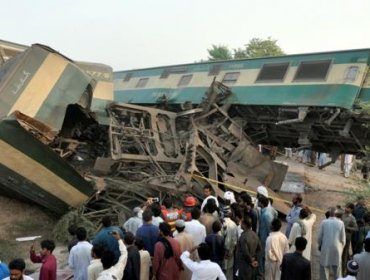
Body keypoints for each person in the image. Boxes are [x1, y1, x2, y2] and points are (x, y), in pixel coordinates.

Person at [317, 207, 346, 280]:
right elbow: (343, 239)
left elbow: (319, 237)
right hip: (337, 248)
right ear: (336, 214)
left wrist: (320, 245)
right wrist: (341, 248)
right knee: (337, 269)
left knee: (324, 267)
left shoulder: (324, 222)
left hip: (325, 248)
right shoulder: (341, 223)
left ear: (329, 214)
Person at [342, 203, 358, 275]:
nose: (346, 208)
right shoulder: (343, 215)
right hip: (340, 237)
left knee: (344, 254)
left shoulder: (352, 218)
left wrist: (347, 227)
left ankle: (343, 270)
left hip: (347, 237)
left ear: (351, 209)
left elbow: (356, 228)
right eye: (346, 207)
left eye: (347, 208)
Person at [222, 208, 238, 280]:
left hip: (222, 252)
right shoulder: (234, 224)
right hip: (230, 253)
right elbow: (235, 240)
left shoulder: (220, 223)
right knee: (229, 272)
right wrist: (231, 251)